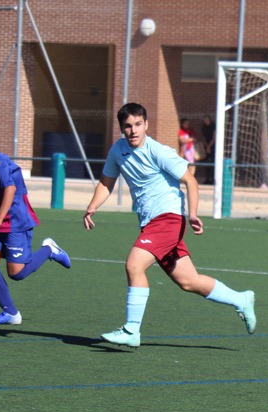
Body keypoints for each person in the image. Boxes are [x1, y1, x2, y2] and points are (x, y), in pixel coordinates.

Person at [83, 102, 256, 347]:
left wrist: (193, 214)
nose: (133, 130)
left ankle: (132, 330)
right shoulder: (117, 151)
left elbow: (191, 181)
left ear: (146, 124)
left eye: (138, 125)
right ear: (121, 128)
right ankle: (241, 300)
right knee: (189, 281)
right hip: (151, 223)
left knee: (134, 265)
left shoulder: (158, 151)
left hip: (168, 219)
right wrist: (92, 206)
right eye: (128, 126)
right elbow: (106, 182)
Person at [0, 150, 71, 325]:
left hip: (14, 220)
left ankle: (49, 249)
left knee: (17, 273)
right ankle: (11, 313)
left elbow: (10, 188)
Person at [200, 115, 216, 184]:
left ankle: (212, 179)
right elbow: (204, 138)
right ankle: (207, 178)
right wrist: (207, 146)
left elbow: (214, 138)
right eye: (204, 120)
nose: (206, 121)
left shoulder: (213, 127)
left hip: (213, 146)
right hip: (207, 146)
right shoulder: (204, 128)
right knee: (207, 162)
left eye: (207, 120)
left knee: (213, 162)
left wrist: (209, 146)